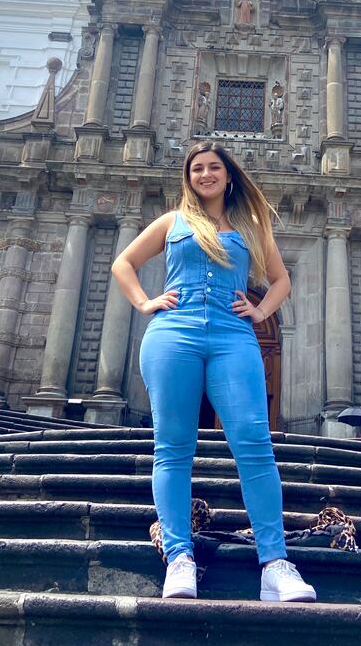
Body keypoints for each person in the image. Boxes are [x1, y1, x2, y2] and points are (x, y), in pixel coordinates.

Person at [111, 140, 316, 603]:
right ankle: (179, 559)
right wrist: (145, 301)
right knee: (173, 447)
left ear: (228, 175)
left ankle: (275, 564)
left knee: (254, 443)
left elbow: (282, 279)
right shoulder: (172, 221)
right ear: (189, 177)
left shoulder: (251, 224)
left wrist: (262, 311)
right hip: (173, 334)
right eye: (197, 168)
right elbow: (123, 263)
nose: (205, 174)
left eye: (213, 167)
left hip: (233, 337)